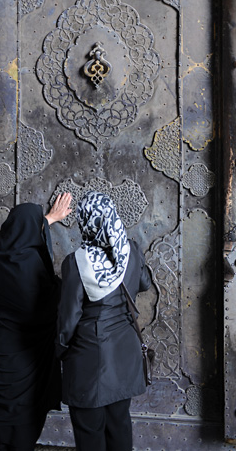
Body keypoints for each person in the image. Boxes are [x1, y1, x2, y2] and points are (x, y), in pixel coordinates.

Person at [0, 192, 72, 451]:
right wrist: (45, 222)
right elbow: (51, 301)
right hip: (19, 362)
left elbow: (19, 234)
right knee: (20, 415)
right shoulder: (31, 271)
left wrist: (46, 220)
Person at [56, 191, 151, 451]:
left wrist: (60, 350)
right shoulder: (130, 250)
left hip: (88, 359)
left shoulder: (76, 263)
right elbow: (143, 283)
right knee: (119, 423)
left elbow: (69, 316)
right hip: (124, 353)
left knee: (89, 431)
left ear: (84, 222)